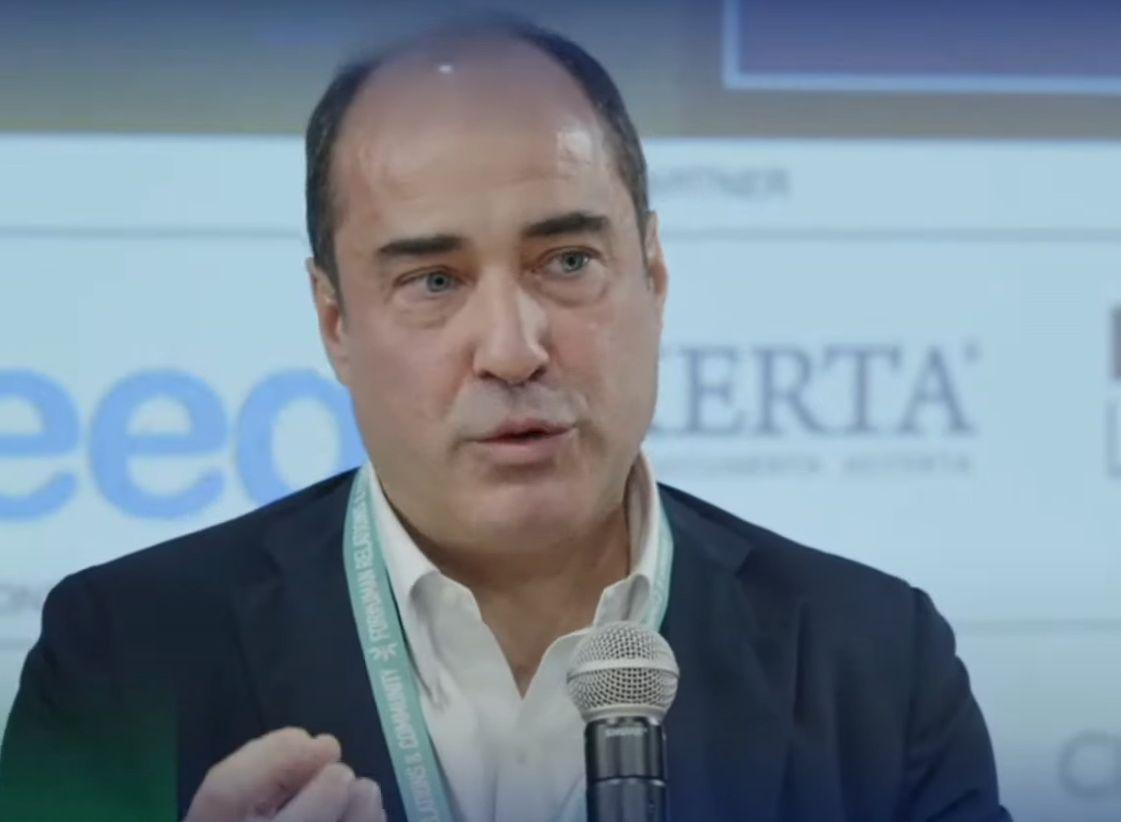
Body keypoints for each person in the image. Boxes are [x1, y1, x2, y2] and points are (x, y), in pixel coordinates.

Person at [0, 17, 1012, 822]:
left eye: (566, 261)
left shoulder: (873, 663)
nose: (513, 347)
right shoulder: (123, 659)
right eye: (433, 280)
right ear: (334, 321)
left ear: (653, 275)